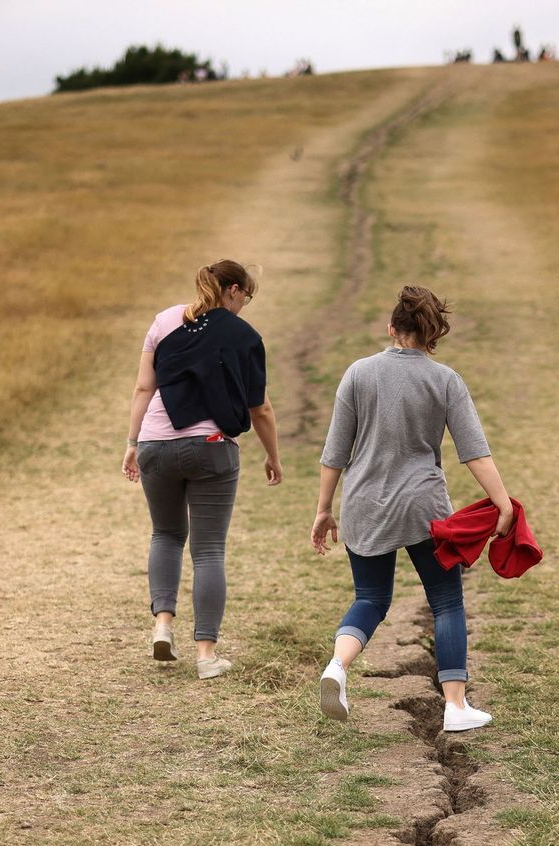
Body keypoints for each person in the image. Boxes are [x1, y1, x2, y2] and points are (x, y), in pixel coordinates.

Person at [310, 286, 514, 732]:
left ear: (391, 330)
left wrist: (325, 509)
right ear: (431, 336)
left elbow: (334, 453)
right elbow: (474, 452)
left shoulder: (358, 374)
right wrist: (502, 501)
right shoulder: (445, 381)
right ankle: (456, 707)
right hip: (423, 506)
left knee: (370, 598)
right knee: (445, 601)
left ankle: (338, 668)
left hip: (364, 504)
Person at [122, 260, 283, 679]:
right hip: (212, 448)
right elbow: (259, 407)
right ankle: (206, 656)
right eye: (247, 295)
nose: (246, 304)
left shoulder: (163, 320)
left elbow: (144, 387)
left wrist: (132, 442)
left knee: (166, 534)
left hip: (155, 444)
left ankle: (162, 625)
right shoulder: (245, 336)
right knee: (208, 549)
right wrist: (273, 455)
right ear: (233, 290)